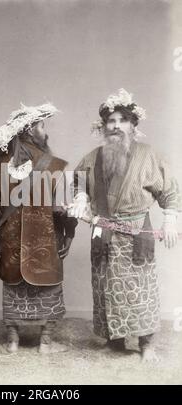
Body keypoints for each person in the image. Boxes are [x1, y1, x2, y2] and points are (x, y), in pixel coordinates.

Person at [68, 88, 181, 362]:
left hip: (135, 234)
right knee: (106, 287)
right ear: (104, 126)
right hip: (104, 233)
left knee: (141, 289)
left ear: (133, 125)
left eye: (122, 120)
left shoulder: (149, 156)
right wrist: (81, 198)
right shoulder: (92, 158)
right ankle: (115, 340)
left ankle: (147, 345)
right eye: (111, 121)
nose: (116, 126)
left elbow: (169, 192)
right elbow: (80, 184)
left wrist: (170, 219)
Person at [0, 103, 77, 353]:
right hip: (45, 240)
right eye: (42, 126)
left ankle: (12, 341)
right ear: (31, 130)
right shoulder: (51, 164)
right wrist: (69, 231)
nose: (46, 131)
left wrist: (1, 232)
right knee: (49, 286)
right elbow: (59, 209)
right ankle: (45, 343)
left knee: (13, 286)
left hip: (11, 242)